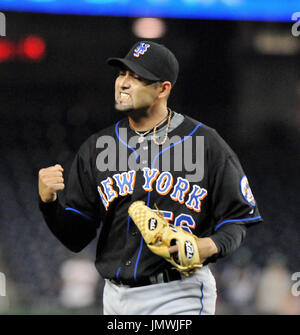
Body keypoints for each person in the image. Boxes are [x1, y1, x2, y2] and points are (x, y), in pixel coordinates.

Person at [38, 41, 263, 315]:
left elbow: (238, 219)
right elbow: (75, 237)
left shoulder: (206, 143)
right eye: (122, 74)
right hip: (115, 297)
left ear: (163, 89)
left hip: (180, 294)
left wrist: (207, 247)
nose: (123, 83)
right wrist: (48, 202)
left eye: (136, 77)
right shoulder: (97, 147)